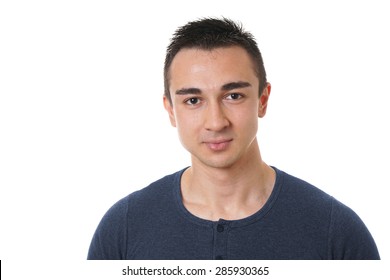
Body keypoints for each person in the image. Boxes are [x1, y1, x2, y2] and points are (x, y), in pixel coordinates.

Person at [87, 17, 380, 260]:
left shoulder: (335, 231)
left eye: (233, 96)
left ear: (263, 100)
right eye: (192, 100)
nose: (216, 122)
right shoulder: (123, 228)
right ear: (171, 110)